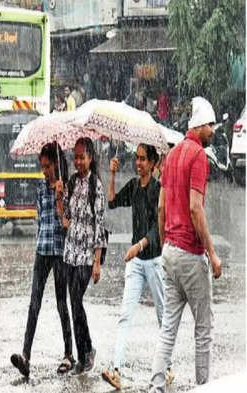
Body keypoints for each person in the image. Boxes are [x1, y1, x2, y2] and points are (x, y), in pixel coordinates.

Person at [149, 97, 222, 393]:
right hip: (190, 256)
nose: (214, 131)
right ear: (200, 126)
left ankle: (155, 386)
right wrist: (212, 254)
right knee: (203, 328)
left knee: (168, 327)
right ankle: (203, 387)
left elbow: (161, 207)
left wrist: (166, 244)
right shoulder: (198, 157)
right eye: (211, 126)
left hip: (169, 254)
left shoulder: (174, 154)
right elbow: (195, 208)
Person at [101, 144, 174, 389]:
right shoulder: (133, 186)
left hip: (153, 261)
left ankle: (168, 368)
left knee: (163, 316)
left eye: (143, 159)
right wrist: (111, 174)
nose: (138, 163)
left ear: (153, 163)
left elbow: (157, 229)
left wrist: (139, 246)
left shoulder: (158, 190)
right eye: (137, 158)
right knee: (125, 315)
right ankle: (117, 369)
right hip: (135, 263)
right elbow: (111, 202)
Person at [10, 142, 75, 378]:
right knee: (34, 304)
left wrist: (61, 198)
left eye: (47, 166)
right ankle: (25, 355)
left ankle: (69, 353)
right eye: (42, 166)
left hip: (59, 252)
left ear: (56, 164)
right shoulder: (39, 186)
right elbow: (40, 218)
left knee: (61, 303)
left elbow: (68, 223)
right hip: (42, 250)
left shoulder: (67, 187)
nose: (44, 170)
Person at [54, 137, 108, 375]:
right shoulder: (72, 182)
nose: (77, 161)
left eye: (81, 157)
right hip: (70, 252)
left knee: (76, 301)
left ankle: (86, 353)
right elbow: (64, 218)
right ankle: (83, 354)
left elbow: (100, 225)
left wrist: (97, 263)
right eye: (75, 157)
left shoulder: (96, 185)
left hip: (87, 255)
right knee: (74, 302)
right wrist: (58, 195)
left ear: (90, 158)